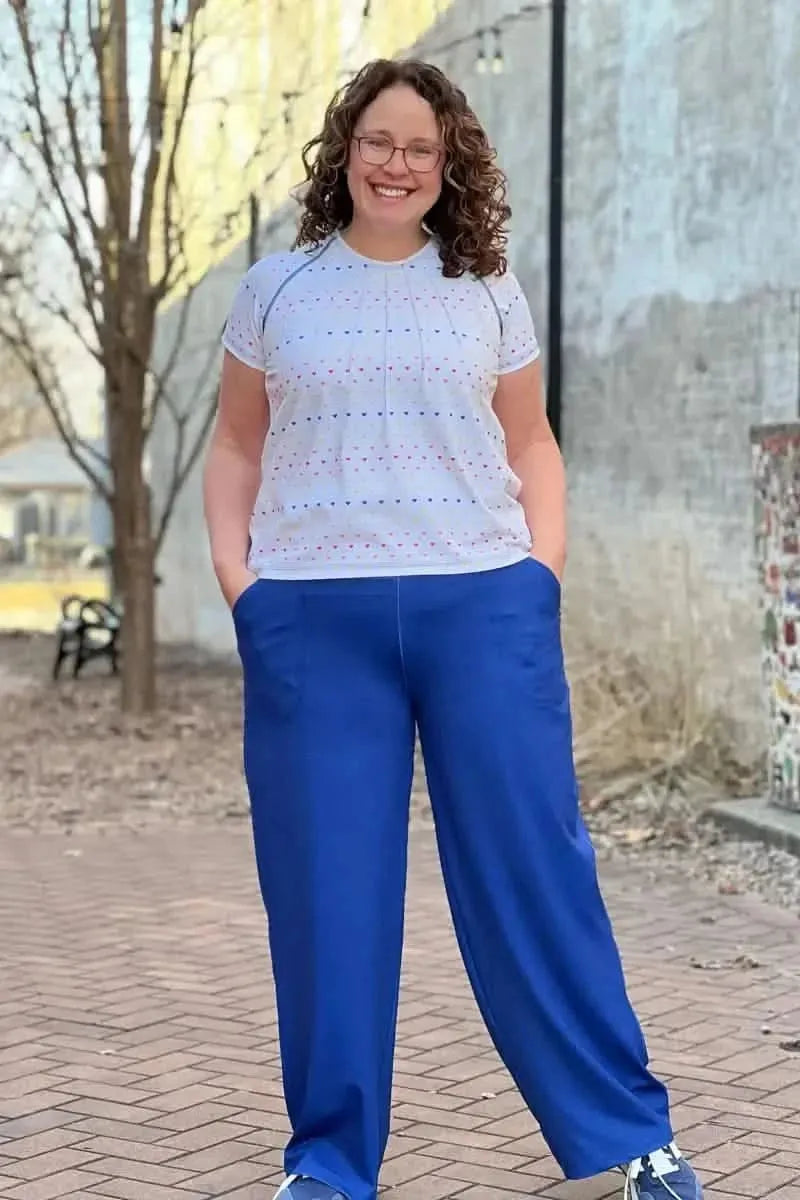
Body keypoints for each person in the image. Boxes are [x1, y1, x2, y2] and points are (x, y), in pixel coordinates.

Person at [203, 58, 703, 1200]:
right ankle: (328, 1167)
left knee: (536, 874)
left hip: (483, 605)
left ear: (447, 167)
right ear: (345, 154)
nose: (395, 163)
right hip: (313, 620)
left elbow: (530, 443)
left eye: (418, 147)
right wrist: (246, 590)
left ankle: (634, 1142)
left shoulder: (485, 290)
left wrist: (540, 573)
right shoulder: (274, 292)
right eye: (376, 141)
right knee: (328, 896)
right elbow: (234, 447)